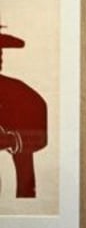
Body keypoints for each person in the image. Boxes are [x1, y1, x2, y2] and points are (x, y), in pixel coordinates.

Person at [0, 27, 48, 198]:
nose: (0, 57)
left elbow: (40, 135)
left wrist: (11, 140)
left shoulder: (19, 92)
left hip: (21, 198)